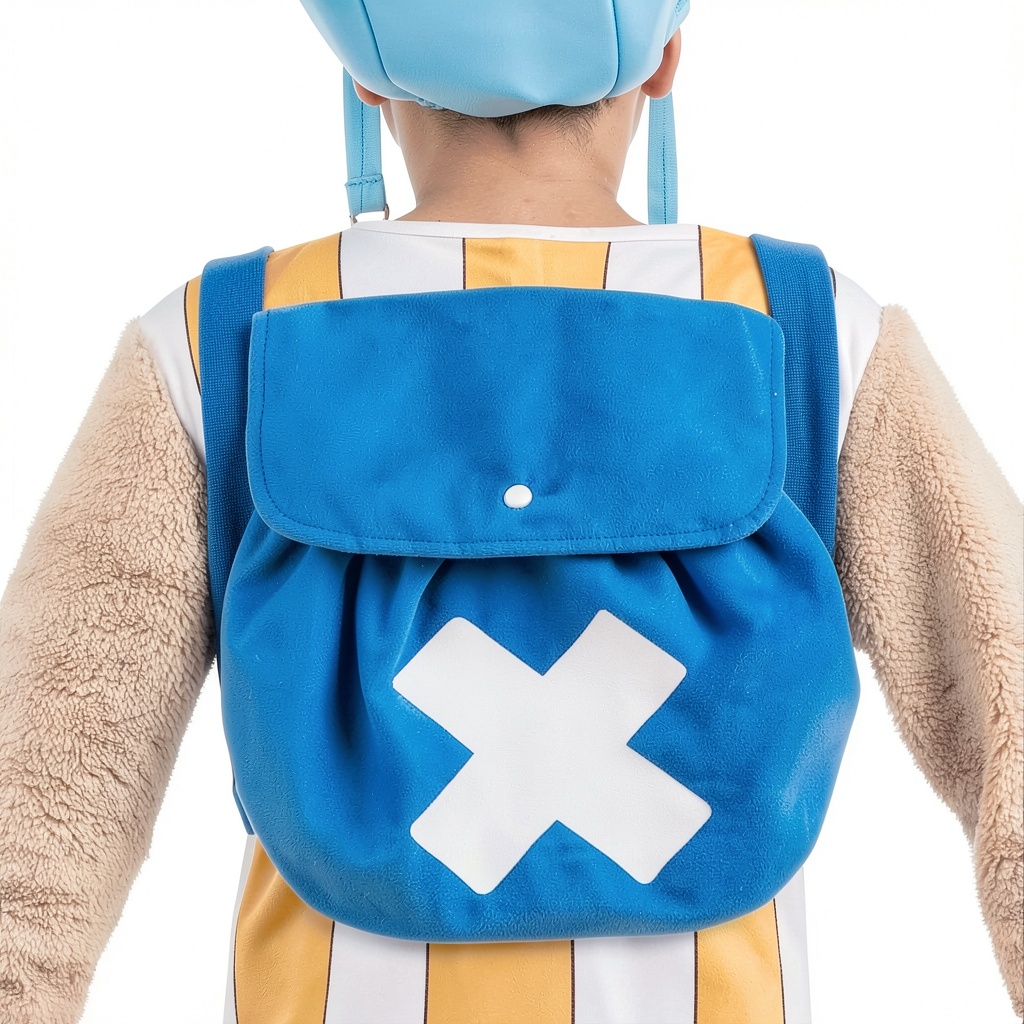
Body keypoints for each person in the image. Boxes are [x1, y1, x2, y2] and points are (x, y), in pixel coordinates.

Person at [0, 2, 1020, 1022]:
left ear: (364, 75)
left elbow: (42, 802)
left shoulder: (214, 342)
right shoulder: (816, 331)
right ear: (665, 56)